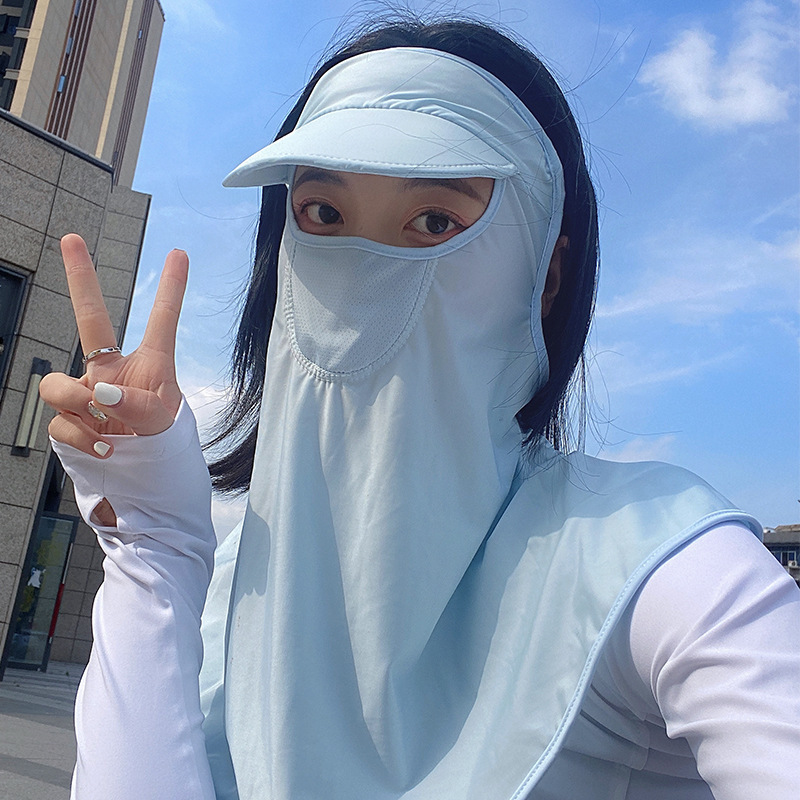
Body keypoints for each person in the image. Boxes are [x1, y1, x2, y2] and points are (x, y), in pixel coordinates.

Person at [40, 14, 799, 800]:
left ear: (546, 274)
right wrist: (154, 550)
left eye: (436, 221)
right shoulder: (237, 580)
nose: (363, 268)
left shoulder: (648, 562)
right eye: (323, 214)